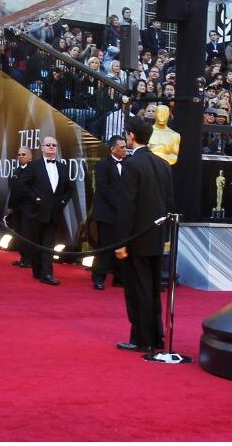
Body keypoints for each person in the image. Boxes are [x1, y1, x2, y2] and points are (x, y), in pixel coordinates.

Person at [114, 116, 172, 353]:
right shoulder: (163, 164)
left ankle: (141, 339)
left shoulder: (131, 164)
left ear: (130, 136)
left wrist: (121, 242)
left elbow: (127, 206)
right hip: (156, 238)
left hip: (137, 239)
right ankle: (156, 336)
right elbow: (169, 203)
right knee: (152, 288)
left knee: (139, 290)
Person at [18, 135, 74, 285]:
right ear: (42, 148)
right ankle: (38, 271)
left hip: (54, 213)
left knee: (48, 245)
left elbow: (70, 188)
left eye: (54, 145)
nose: (51, 147)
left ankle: (47, 274)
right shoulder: (34, 166)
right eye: (48, 145)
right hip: (36, 212)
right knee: (36, 243)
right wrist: (34, 198)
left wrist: (62, 202)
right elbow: (22, 184)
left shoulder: (62, 167)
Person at [91, 135, 128, 290]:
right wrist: (119, 203)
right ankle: (99, 276)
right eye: (122, 147)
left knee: (123, 244)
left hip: (123, 214)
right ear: (113, 149)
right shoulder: (102, 165)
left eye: (126, 146)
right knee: (105, 246)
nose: (125, 150)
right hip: (106, 213)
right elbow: (103, 188)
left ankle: (120, 278)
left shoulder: (129, 163)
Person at [9, 146, 35, 269]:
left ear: (30, 157)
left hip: (28, 208)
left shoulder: (33, 171)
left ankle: (29, 259)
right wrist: (10, 206)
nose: (20, 156)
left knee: (27, 233)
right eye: (19, 154)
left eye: (23, 154)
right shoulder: (17, 170)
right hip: (16, 208)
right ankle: (23, 258)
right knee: (18, 233)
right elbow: (13, 190)